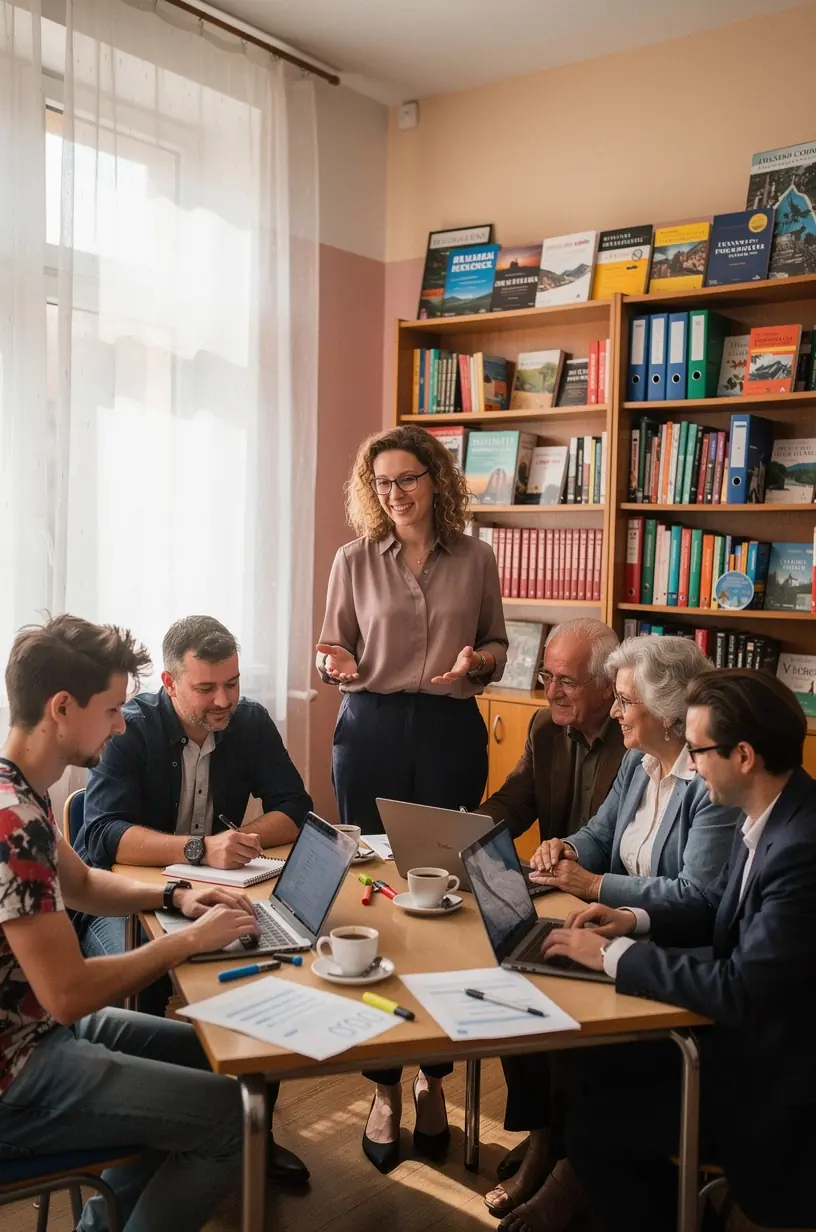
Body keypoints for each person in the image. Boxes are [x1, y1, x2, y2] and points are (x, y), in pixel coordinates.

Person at [0, 614, 284, 1232]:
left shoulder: (19, 790)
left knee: (221, 1056)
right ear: (62, 708)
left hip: (35, 1034)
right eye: (110, 709)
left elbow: (84, 883)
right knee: (232, 1114)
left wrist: (178, 897)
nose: (122, 723)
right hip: (18, 1073)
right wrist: (187, 944)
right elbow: (70, 995)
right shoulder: (13, 826)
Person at [534, 670, 816, 1232]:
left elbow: (742, 987)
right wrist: (630, 920)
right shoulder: (773, 813)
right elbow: (724, 928)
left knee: (592, 1130)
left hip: (777, 1083)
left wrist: (611, 958)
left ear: (742, 756)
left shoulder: (799, 849)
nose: (688, 763)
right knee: (596, 1068)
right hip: (749, 1042)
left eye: (697, 750)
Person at [485, 635, 741, 1225]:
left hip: (674, 955)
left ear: (670, 715)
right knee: (525, 980)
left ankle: (574, 1171)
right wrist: (565, 849)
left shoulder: (710, 781)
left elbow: (697, 898)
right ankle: (567, 1159)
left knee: (579, 1041)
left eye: (626, 701)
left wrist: (597, 887)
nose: (618, 711)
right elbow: (600, 834)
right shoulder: (637, 760)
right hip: (620, 933)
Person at [315, 423, 508, 1173]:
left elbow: (496, 643)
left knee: (445, 899)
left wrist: (479, 661)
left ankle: (435, 1078)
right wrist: (333, 663)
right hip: (370, 731)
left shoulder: (478, 557)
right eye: (384, 483)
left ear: (436, 479)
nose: (396, 494)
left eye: (409, 479)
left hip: (453, 729)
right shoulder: (353, 559)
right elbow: (335, 649)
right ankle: (384, 1086)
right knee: (375, 896)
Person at [78, 613, 312, 1185]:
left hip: (218, 891)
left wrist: (247, 842)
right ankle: (149, 1139)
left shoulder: (249, 722)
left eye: (231, 683)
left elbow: (296, 807)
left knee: (267, 967)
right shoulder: (127, 729)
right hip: (128, 895)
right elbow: (101, 834)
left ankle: (255, 1130)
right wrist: (199, 850)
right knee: (137, 976)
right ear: (170, 682)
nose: (223, 700)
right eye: (206, 688)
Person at [477, 617, 625, 1187]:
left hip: (603, 905)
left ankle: (565, 1152)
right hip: (550, 893)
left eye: (567, 681)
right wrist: (460, 834)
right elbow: (512, 803)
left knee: (547, 992)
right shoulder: (543, 727)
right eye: (546, 676)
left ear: (609, 686)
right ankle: (542, 1136)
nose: (550, 692)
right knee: (503, 980)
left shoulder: (635, 741)